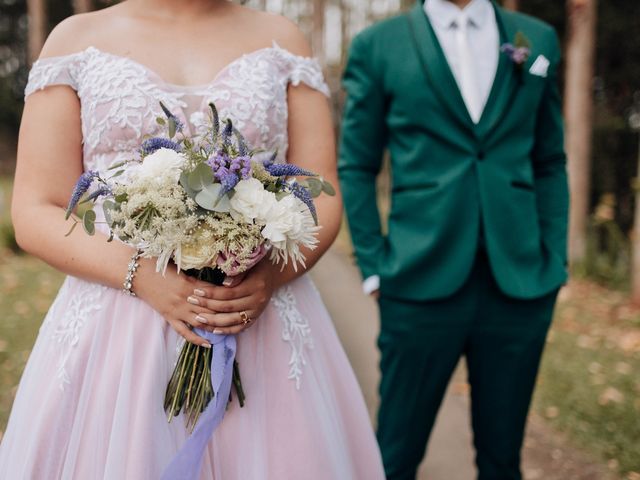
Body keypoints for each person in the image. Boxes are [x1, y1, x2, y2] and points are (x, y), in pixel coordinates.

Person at [0, 1, 385, 478]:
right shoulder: (75, 40)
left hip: (260, 316)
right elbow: (35, 209)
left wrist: (269, 277)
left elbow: (320, 192)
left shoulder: (283, 40)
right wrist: (138, 274)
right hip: (116, 330)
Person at [339, 0, 569, 478]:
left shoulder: (537, 40)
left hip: (520, 283)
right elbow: (357, 166)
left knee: (503, 460)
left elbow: (549, 160)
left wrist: (554, 260)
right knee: (395, 456)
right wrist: (375, 266)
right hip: (417, 280)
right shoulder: (377, 46)